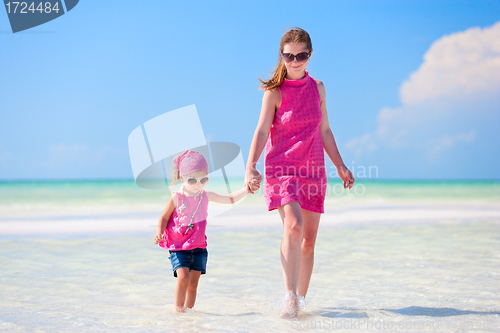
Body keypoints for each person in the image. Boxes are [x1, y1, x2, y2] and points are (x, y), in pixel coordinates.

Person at [244, 28, 355, 318]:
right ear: (281, 56)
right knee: (293, 226)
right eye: (289, 56)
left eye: (301, 55)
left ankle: (301, 303)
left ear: (310, 55)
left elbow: (325, 129)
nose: (295, 61)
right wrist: (250, 166)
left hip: (313, 169)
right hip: (281, 168)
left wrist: (340, 165)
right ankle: (289, 297)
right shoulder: (274, 92)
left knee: (309, 241)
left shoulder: (318, 88)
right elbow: (261, 130)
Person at [154, 150, 253, 312]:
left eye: (203, 180)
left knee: (193, 285)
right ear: (182, 178)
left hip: (199, 248)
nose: (198, 184)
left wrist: (246, 190)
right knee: (183, 278)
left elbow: (230, 199)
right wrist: (159, 233)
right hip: (179, 247)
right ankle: (179, 311)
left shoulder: (206, 195)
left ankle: (190, 313)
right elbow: (164, 217)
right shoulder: (177, 197)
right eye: (192, 180)